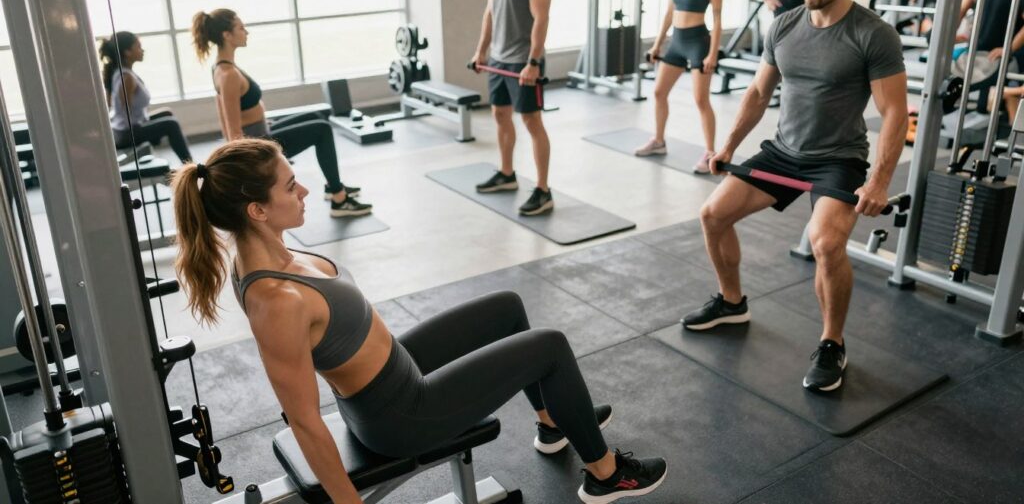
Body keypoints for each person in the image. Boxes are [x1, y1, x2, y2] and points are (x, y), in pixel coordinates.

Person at [170, 138, 668, 504]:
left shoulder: (272, 246)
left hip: (396, 368)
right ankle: (606, 475)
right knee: (550, 346)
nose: (303, 188)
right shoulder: (275, 300)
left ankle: (554, 422)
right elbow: (302, 418)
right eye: (288, 184)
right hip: (400, 416)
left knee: (507, 307)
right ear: (256, 209)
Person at [684, 0, 908, 393]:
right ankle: (731, 302)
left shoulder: (873, 34)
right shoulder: (785, 24)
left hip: (837, 159)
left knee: (826, 244)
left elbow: (894, 114)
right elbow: (758, 92)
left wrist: (880, 181)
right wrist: (727, 146)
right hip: (783, 152)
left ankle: (832, 342)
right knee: (712, 215)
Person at [190, 9, 371, 218]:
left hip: (261, 133)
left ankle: (333, 186)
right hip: (259, 148)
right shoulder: (228, 74)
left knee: (317, 118)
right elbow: (233, 131)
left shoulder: (222, 67)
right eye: (241, 27)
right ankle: (339, 200)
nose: (246, 32)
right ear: (226, 35)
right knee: (322, 130)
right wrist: (250, 168)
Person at [470, 0, 555, 216]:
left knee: (532, 122)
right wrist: (482, 50)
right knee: (500, 115)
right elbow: (490, 11)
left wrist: (533, 61)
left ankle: (544, 191)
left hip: (523, 60)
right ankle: (507, 174)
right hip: (499, 57)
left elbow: (541, 18)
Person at [635, 0, 723, 174]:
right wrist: (657, 44)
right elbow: (669, 13)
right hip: (677, 41)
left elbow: (717, 20)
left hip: (698, 42)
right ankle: (659, 141)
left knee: (700, 99)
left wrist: (712, 53)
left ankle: (709, 153)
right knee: (659, 92)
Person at [99, 31, 193, 164]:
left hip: (128, 127)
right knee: (171, 124)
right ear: (127, 52)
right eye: (138, 47)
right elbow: (126, 115)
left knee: (167, 113)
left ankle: (186, 162)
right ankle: (190, 166)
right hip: (126, 134)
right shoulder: (127, 78)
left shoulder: (122, 73)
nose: (142, 50)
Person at [958, 0, 1024, 111]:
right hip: (978, 49)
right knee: (960, 92)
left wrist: (1008, 49)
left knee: (987, 106)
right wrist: (947, 37)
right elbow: (957, 15)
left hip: (1002, 54)